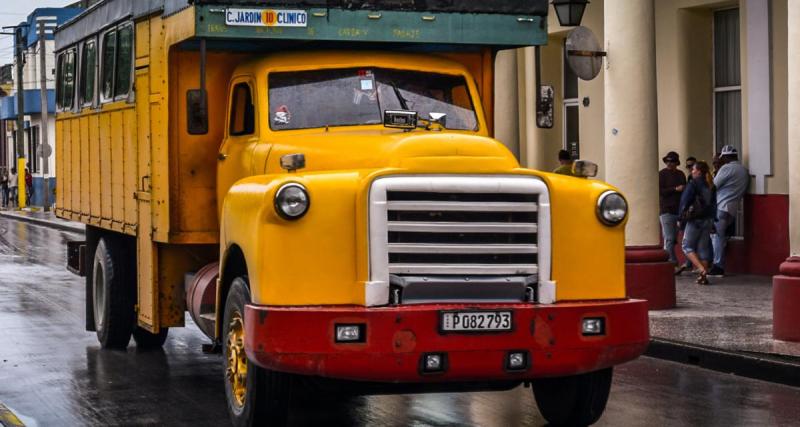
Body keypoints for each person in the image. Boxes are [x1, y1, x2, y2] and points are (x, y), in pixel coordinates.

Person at [709, 145, 749, 277]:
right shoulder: (743, 170)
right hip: (732, 208)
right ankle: (718, 263)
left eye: (722, 158)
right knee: (720, 236)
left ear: (726, 157)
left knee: (716, 236)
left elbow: (714, 185)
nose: (721, 161)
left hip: (721, 206)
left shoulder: (727, 168)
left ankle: (718, 266)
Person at [679, 161, 716, 285]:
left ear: (698, 171)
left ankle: (701, 269)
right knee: (703, 248)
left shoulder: (693, 184)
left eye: (693, 169)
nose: (692, 171)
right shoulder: (710, 185)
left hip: (695, 219)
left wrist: (681, 217)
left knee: (686, 246)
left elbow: (685, 201)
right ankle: (703, 277)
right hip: (708, 219)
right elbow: (714, 204)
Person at [658, 151, 687, 270]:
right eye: (668, 161)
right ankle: (671, 263)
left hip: (679, 211)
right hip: (667, 210)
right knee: (669, 238)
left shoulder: (681, 174)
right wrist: (675, 189)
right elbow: (661, 191)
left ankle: (672, 263)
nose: (670, 163)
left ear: (676, 163)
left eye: (672, 161)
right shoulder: (662, 174)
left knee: (674, 239)